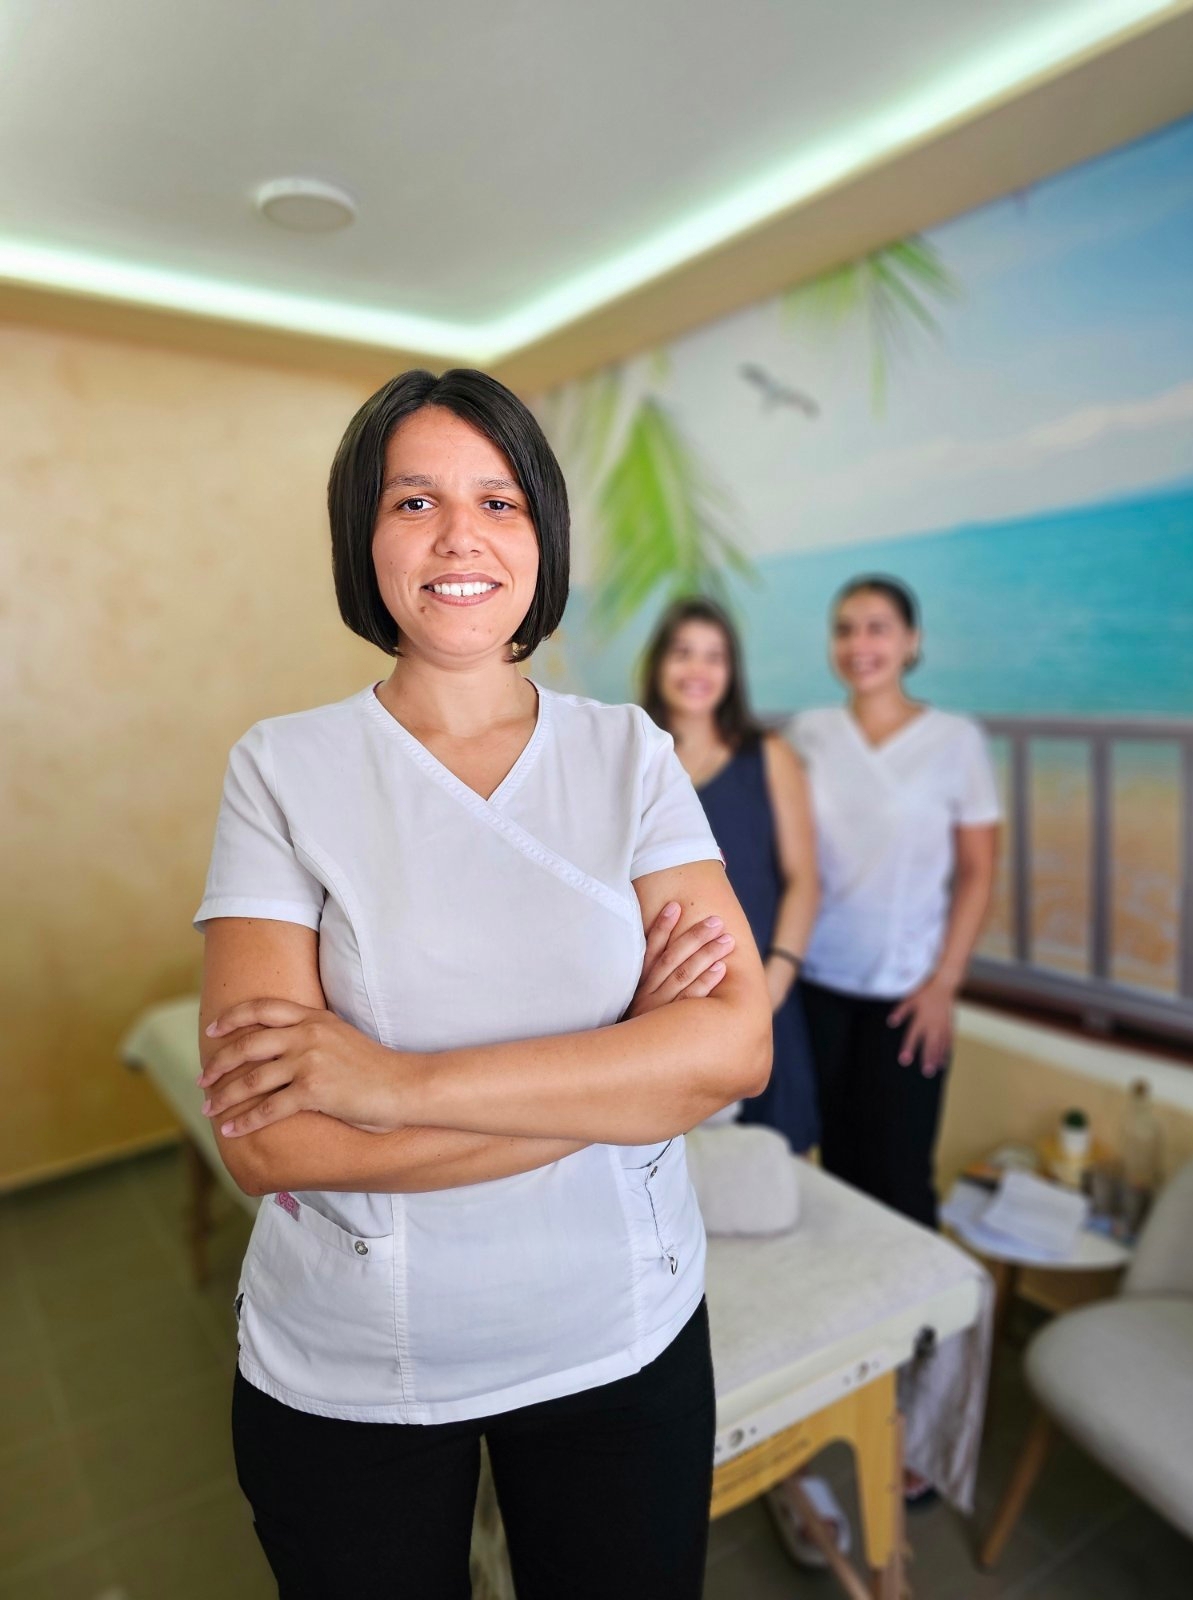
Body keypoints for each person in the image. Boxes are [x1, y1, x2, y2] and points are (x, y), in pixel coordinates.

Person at [194, 368, 772, 1600]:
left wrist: (392, 1087)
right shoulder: (283, 768)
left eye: (498, 500)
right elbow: (268, 1140)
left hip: (623, 1334)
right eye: (415, 501)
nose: (460, 535)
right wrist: (628, 1066)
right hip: (358, 1364)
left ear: (541, 535)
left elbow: (734, 1051)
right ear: (365, 537)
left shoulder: (629, 753)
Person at [786, 574, 1000, 1230]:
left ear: (912, 641)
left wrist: (945, 983)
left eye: (877, 628)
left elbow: (978, 871)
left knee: (901, 1180)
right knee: (825, 1175)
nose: (860, 645)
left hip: (907, 995)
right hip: (813, 987)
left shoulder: (955, 741)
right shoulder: (809, 733)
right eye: (845, 629)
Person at [641, 597, 820, 1153]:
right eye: (683, 652)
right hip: (661, 1009)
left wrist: (774, 982)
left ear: (731, 671)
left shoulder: (768, 755)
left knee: (772, 1165)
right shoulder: (637, 756)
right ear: (658, 663)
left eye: (713, 656)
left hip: (760, 995)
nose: (697, 669)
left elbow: (804, 879)